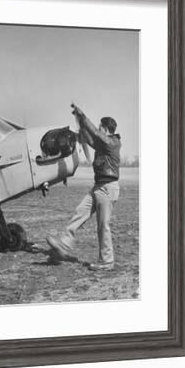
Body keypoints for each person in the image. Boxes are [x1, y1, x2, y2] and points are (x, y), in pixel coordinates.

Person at [47, 104, 122, 271]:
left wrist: (83, 115)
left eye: (100, 126)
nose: (99, 129)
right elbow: (89, 138)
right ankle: (64, 243)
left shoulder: (113, 143)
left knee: (103, 225)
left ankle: (107, 261)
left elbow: (94, 134)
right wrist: (80, 121)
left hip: (107, 188)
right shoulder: (104, 144)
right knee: (80, 211)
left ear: (104, 128)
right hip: (98, 187)